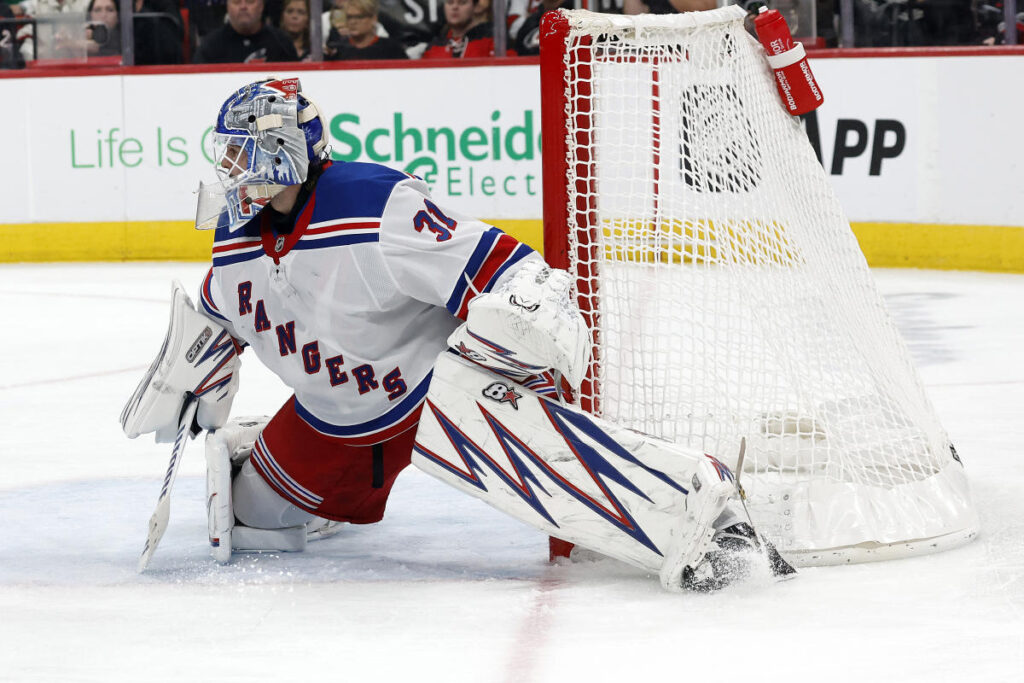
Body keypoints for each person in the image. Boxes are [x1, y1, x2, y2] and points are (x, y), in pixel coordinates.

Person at [120, 77, 775, 592]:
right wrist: (192, 366)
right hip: (330, 418)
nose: (230, 167)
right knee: (253, 524)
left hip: (430, 401)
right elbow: (216, 307)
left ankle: (704, 511)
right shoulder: (234, 240)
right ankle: (272, 458)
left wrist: (527, 321)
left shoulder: (371, 204)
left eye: (242, 150)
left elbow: (501, 265)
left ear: (284, 150)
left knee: (555, 475)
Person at [193, 0, 298, 63]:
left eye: (250, 1)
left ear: (261, 6)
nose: (243, 7)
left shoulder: (282, 43)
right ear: (228, 6)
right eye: (237, 1)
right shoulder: (210, 47)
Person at [422, 0, 509, 58]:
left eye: (462, 2)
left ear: (476, 7)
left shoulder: (494, 40)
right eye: (450, 2)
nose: (455, 7)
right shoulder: (433, 46)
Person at [326, 0, 406, 60]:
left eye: (359, 17)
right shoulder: (337, 51)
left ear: (373, 19)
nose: (353, 22)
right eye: (349, 17)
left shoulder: (391, 49)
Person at [133, 0, 184, 64]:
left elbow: (172, 40)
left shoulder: (166, 6)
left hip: (163, 61)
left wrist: (141, 10)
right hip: (134, 59)